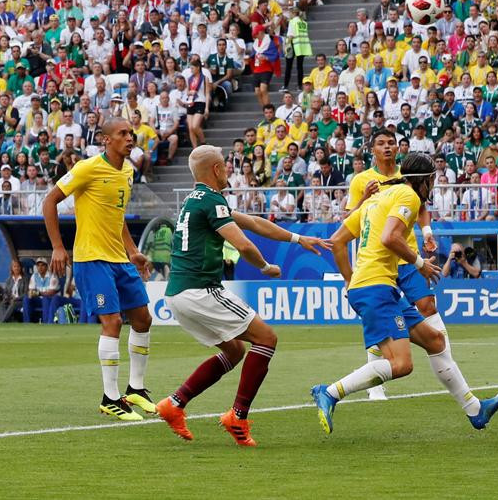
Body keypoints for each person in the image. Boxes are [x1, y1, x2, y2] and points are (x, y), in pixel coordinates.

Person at [312, 153, 498, 433]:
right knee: (401, 364)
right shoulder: (407, 196)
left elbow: (338, 242)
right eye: (432, 180)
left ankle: (475, 409)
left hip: (375, 285)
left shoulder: (378, 198)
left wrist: (349, 281)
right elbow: (389, 237)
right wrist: (421, 264)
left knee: (435, 340)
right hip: (376, 287)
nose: (433, 186)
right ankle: (329, 392)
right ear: (425, 180)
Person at [155, 145, 331, 446]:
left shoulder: (197, 200)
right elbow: (244, 244)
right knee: (266, 338)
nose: (229, 169)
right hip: (200, 289)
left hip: (178, 293)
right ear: (215, 170)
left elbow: (253, 223)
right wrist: (265, 266)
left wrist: (299, 238)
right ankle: (238, 415)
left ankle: (174, 403)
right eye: (225, 165)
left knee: (235, 351)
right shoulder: (211, 201)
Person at [43, 118, 155, 421]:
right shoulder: (87, 168)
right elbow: (50, 201)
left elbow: (116, 218)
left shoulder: (129, 171)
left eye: (131, 134)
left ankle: (136, 388)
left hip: (119, 258)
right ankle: (110, 397)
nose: (130, 139)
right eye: (122, 134)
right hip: (92, 258)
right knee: (113, 322)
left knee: (143, 319)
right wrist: (57, 246)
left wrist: (133, 251)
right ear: (106, 140)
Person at [344, 128, 442, 401]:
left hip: (407, 254)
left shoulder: (408, 175)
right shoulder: (361, 180)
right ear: (372, 150)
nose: (387, 147)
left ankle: (443, 358)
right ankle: (375, 382)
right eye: (381, 144)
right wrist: (364, 197)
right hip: (378, 258)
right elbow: (350, 219)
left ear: (398, 148)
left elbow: (421, 206)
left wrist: (427, 233)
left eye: (392, 143)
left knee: (428, 305)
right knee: (381, 318)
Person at [30, 257, 61, 324]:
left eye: (42, 265)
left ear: (47, 267)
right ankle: (26, 323)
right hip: (39, 300)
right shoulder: (34, 276)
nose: (40, 267)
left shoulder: (52, 276)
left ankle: (46, 323)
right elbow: (31, 291)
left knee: (45, 299)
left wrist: (38, 293)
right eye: (38, 265)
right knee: (26, 299)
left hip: (51, 300)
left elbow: (51, 293)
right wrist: (37, 293)